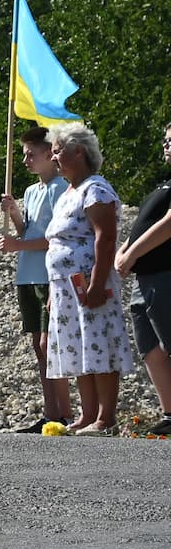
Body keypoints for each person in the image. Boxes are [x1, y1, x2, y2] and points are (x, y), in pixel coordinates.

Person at [42, 122, 132, 435]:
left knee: (99, 343)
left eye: (57, 151)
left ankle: (106, 417)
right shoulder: (68, 192)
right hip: (67, 287)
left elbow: (105, 237)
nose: (53, 158)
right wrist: (55, 290)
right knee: (77, 346)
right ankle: (87, 413)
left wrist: (95, 284)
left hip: (91, 285)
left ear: (78, 152)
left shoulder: (95, 189)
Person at [0, 127, 73, 430]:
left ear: (49, 156)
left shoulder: (60, 189)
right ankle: (50, 412)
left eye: (32, 154)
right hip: (26, 274)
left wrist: (18, 245)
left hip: (47, 275)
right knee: (37, 345)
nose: (26, 159)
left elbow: (55, 237)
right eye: (24, 154)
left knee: (49, 343)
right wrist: (14, 212)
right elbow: (27, 230)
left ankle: (64, 412)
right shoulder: (32, 191)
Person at [114, 120, 171, 438]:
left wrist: (132, 252)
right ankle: (170, 412)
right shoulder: (164, 183)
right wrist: (126, 250)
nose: (166, 145)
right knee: (150, 347)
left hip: (165, 275)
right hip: (144, 278)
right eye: (165, 140)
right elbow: (145, 222)